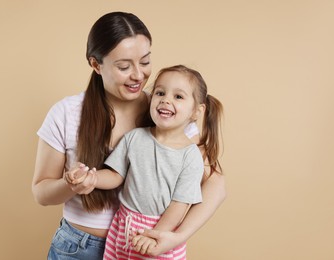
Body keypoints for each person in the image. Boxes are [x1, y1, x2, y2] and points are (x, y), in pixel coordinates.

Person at [32, 11, 226, 260]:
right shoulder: (66, 113)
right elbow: (41, 193)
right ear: (96, 64)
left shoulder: (168, 113)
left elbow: (215, 184)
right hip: (78, 248)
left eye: (145, 62)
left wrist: (175, 236)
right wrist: (73, 184)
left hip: (145, 245)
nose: (138, 75)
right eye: (124, 66)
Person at [70, 64, 221, 259]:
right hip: (123, 228)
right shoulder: (134, 138)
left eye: (178, 96)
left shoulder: (190, 156)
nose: (165, 100)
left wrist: (155, 235)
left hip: (159, 234)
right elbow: (116, 175)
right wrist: (90, 177)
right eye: (160, 93)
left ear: (196, 111)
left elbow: (180, 205)